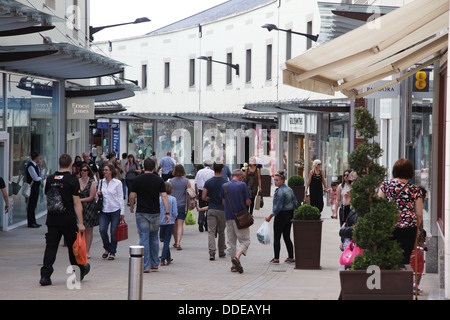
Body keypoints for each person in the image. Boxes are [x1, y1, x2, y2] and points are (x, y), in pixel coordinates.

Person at [40, 153, 89, 286]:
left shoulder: (50, 179)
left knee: (51, 247)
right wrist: (81, 222)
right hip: (68, 219)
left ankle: (45, 276)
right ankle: (78, 272)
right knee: (73, 248)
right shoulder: (72, 180)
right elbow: (76, 203)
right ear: (69, 164)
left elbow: (48, 197)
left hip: (52, 219)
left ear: (59, 164)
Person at [377, 158, 424, 265]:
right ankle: (401, 280)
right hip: (408, 228)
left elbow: (378, 205)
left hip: (389, 226)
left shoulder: (385, 185)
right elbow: (419, 213)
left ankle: (389, 280)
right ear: (410, 172)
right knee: (404, 259)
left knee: (388, 257)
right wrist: (417, 228)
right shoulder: (415, 190)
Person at [129, 157, 170, 272]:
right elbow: (164, 196)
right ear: (153, 167)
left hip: (142, 212)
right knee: (154, 238)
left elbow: (132, 196)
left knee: (144, 237)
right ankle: (155, 264)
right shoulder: (159, 180)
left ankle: (145, 265)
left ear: (144, 167)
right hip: (155, 212)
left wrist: (132, 206)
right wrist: (167, 212)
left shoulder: (137, 179)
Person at [220, 169, 252, 274]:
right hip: (241, 217)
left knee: (231, 241)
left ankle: (233, 265)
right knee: (245, 240)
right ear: (239, 176)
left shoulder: (224, 186)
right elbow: (248, 202)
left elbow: (224, 202)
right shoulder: (242, 185)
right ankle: (237, 258)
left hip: (229, 216)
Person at [265, 170, 297, 264]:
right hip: (289, 214)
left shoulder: (280, 191)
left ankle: (276, 258)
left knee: (277, 237)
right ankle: (291, 257)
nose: (275, 182)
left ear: (282, 180)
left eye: (277, 180)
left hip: (281, 215)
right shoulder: (289, 189)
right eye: (274, 180)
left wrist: (271, 215)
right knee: (287, 236)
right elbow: (295, 202)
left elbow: (279, 206)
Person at [97, 163, 124, 261]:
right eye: (104, 170)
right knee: (102, 230)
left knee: (113, 232)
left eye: (106, 170)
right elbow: (97, 199)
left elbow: (121, 198)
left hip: (115, 210)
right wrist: (98, 194)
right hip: (104, 210)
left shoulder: (117, 183)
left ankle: (112, 252)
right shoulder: (101, 182)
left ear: (111, 171)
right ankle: (107, 248)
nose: (104, 172)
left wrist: (122, 212)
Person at [202, 162, 227, 260]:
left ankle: (212, 252)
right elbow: (226, 198)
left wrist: (210, 200)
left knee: (211, 232)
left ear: (213, 169)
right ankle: (221, 252)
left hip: (211, 208)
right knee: (221, 231)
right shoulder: (225, 182)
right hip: (222, 209)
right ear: (221, 170)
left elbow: (203, 197)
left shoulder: (208, 182)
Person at [168, 164, 190, 250]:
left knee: (174, 224)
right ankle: (178, 243)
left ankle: (175, 241)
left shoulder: (170, 181)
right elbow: (189, 192)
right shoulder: (186, 181)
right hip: (183, 205)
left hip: (173, 205)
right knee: (180, 224)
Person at [78, 164, 98, 258]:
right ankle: (80, 249)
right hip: (79, 208)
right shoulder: (77, 181)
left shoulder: (92, 182)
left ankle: (87, 251)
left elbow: (91, 197)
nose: (83, 171)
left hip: (89, 207)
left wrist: (79, 200)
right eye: (82, 170)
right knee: (80, 230)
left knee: (89, 230)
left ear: (88, 172)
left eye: (85, 170)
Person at [159, 182, 177, 266]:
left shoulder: (159, 198)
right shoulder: (173, 199)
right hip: (170, 222)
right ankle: (163, 259)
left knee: (164, 240)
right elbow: (175, 212)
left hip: (161, 222)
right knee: (167, 241)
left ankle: (168, 258)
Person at [195, 159, 214, 232]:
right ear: (211, 165)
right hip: (210, 191)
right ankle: (206, 224)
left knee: (201, 206)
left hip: (201, 190)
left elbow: (196, 183)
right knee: (209, 208)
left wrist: (196, 193)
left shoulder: (199, 172)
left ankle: (200, 221)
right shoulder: (212, 172)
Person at [26, 151, 44, 228]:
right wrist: (40, 178)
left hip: (36, 187)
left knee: (34, 204)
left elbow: (41, 174)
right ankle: (30, 222)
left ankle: (34, 221)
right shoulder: (30, 166)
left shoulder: (35, 165)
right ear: (37, 157)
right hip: (32, 187)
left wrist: (40, 167)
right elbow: (36, 178)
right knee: (31, 205)